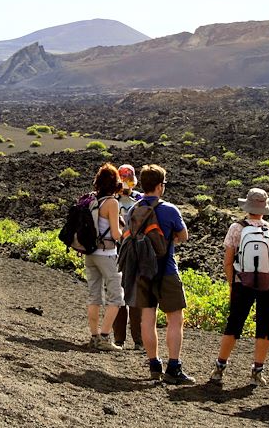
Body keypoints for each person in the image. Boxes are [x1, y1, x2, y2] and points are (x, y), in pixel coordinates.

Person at [209, 188, 269, 386]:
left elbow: (227, 261)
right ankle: (257, 372)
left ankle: (220, 368)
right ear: (264, 208)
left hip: (241, 282)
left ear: (247, 206)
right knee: (265, 325)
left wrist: (232, 283)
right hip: (268, 283)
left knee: (234, 323)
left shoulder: (236, 228)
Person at [134, 164, 194, 384]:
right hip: (167, 269)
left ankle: (154, 365)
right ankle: (174, 368)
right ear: (160, 186)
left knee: (147, 318)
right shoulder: (169, 210)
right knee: (175, 319)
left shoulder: (134, 209)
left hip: (143, 272)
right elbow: (184, 235)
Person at [84, 163, 125, 351]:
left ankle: (93, 337)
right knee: (116, 297)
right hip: (107, 254)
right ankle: (105, 338)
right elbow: (116, 235)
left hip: (90, 253)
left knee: (94, 296)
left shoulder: (92, 200)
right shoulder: (112, 203)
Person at [112, 164, 144, 350]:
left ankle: (124, 339)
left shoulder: (115, 199)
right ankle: (132, 339)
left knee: (125, 295)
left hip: (122, 250)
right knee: (129, 295)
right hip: (129, 249)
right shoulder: (139, 200)